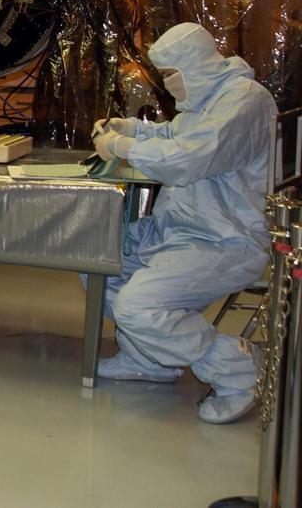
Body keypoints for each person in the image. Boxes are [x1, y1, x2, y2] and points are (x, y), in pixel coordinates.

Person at [92, 22, 277, 423]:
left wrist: (121, 146)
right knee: (95, 262)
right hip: (182, 231)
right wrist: (130, 127)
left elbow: (188, 158)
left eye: (170, 74)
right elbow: (174, 134)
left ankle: (239, 370)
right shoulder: (208, 99)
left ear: (193, 65)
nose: (168, 84)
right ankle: (148, 359)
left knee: (137, 307)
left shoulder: (245, 101)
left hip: (225, 241)